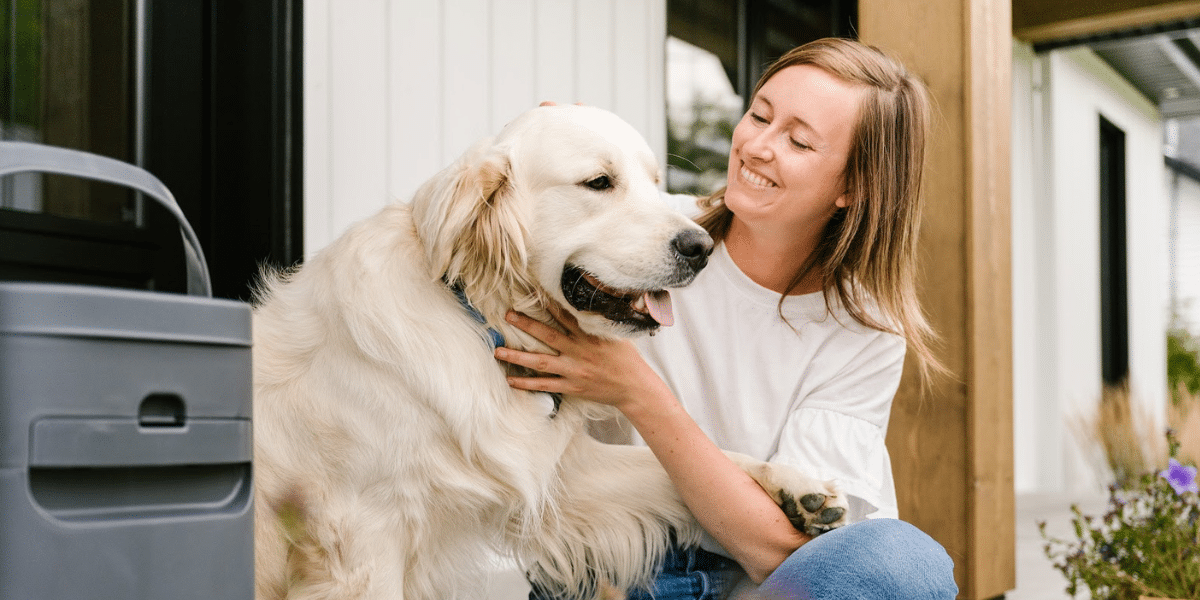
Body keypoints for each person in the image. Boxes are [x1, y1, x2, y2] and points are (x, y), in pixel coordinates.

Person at [494, 37, 958, 600]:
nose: (758, 146)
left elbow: (780, 552)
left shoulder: (865, 333)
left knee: (904, 563)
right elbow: (500, 228)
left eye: (799, 141)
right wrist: (543, 141)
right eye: (759, 115)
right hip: (615, 565)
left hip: (761, 586)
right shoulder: (645, 231)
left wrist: (638, 390)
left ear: (853, 185)